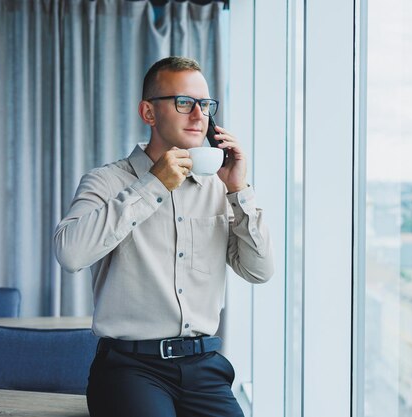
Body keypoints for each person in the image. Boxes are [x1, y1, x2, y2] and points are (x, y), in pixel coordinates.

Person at [54, 56, 274, 417]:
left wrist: (239, 189)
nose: (198, 114)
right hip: (129, 368)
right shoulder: (106, 182)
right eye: (184, 102)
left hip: (205, 367)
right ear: (149, 113)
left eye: (205, 105)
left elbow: (259, 271)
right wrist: (153, 184)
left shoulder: (220, 188)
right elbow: (70, 254)